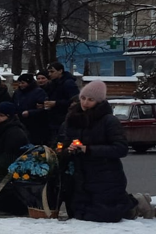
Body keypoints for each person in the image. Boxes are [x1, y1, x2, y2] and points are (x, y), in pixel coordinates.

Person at [59, 80, 155, 221]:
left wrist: (89, 149)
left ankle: (137, 203)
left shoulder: (109, 120)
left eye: (90, 100)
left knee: (108, 215)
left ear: (99, 101)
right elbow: (63, 142)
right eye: (83, 98)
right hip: (81, 176)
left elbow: (121, 149)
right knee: (81, 215)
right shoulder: (73, 118)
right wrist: (69, 149)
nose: (85, 103)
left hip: (105, 176)